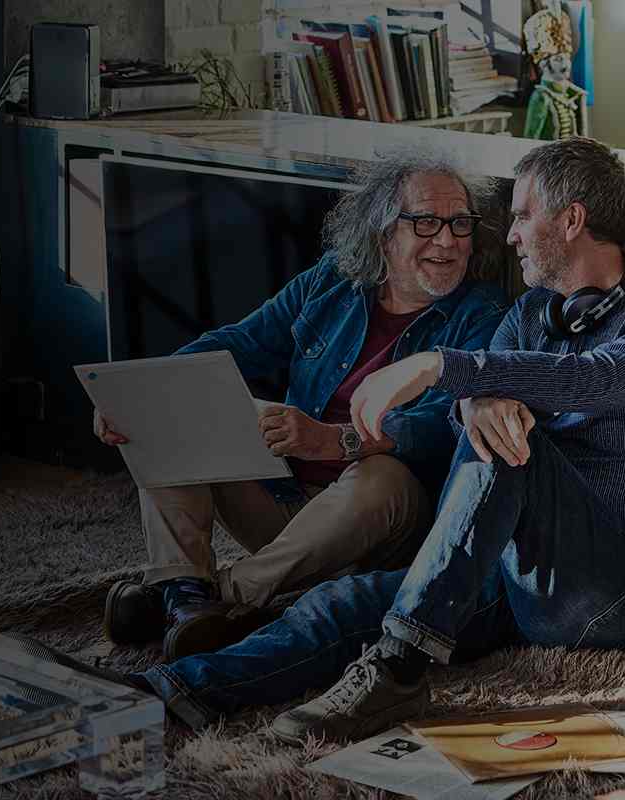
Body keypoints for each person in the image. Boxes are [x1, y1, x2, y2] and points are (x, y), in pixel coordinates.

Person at [121, 136, 625, 742]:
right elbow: (460, 420)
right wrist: (475, 398)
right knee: (339, 606)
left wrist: (443, 369)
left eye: (522, 216)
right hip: (522, 574)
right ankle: (174, 688)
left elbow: (593, 379)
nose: (507, 237)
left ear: (572, 219)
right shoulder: (530, 314)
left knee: (508, 441)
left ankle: (398, 666)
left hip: (624, 592)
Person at [97, 152, 510, 662]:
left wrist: (333, 440)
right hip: (283, 498)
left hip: (374, 526)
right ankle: (182, 589)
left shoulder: (485, 315)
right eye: (425, 222)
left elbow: (444, 428)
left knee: (384, 473)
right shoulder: (332, 281)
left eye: (460, 223)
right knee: (173, 405)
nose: (447, 241)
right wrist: (141, 395)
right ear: (382, 233)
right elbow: (239, 343)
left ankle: (217, 597)